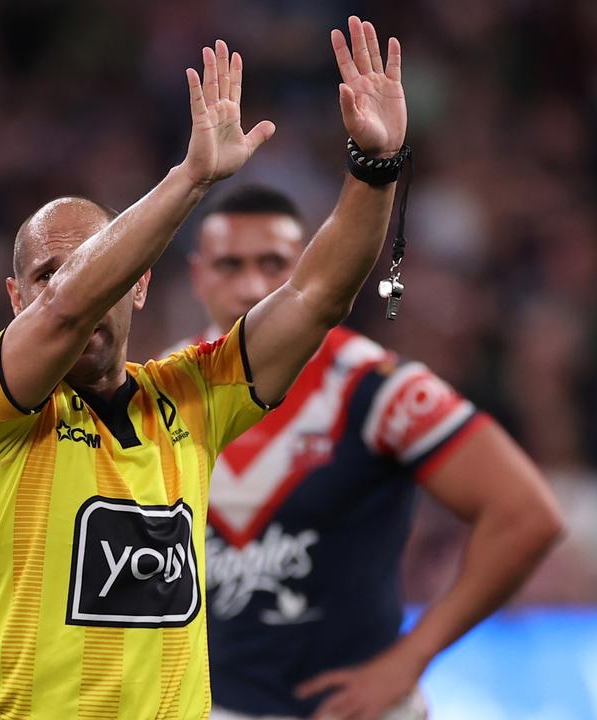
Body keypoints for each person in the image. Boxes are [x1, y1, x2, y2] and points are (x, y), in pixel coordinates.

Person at [0, 16, 412, 720]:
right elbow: (69, 311)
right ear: (16, 299)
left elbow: (316, 297)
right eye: (46, 273)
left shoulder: (193, 393)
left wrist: (375, 169)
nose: (77, 284)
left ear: (139, 282)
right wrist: (191, 179)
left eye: (104, 265)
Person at [175, 182, 563, 720]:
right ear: (198, 275)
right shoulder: (165, 387)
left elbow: (527, 515)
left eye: (273, 263)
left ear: (310, 267)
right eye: (230, 265)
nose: (252, 286)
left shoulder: (377, 387)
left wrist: (410, 658)